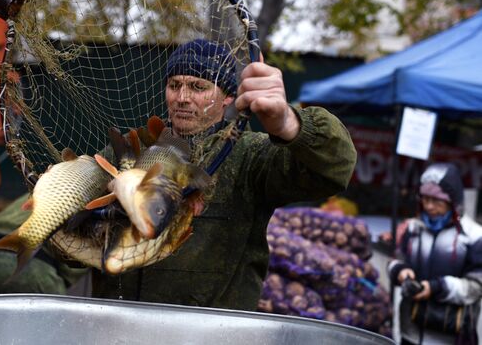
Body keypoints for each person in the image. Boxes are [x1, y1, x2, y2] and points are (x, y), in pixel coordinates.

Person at [91, 39, 357, 310]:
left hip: (212, 334)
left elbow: (335, 168)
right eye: (174, 85)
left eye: (198, 87)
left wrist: (288, 122)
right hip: (117, 327)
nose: (182, 97)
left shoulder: (250, 155)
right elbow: (73, 233)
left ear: (227, 96)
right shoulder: (132, 149)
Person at [388, 163, 482, 344]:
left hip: (452, 335)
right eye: (425, 199)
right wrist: (400, 271)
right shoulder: (413, 228)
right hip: (412, 333)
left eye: (437, 200)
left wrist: (436, 287)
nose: (429, 206)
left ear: (452, 201)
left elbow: (476, 286)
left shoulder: (473, 236)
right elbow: (396, 259)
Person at [0, 194, 87, 295]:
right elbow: (73, 269)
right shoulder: (94, 202)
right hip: (32, 266)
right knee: (52, 323)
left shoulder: (46, 186)